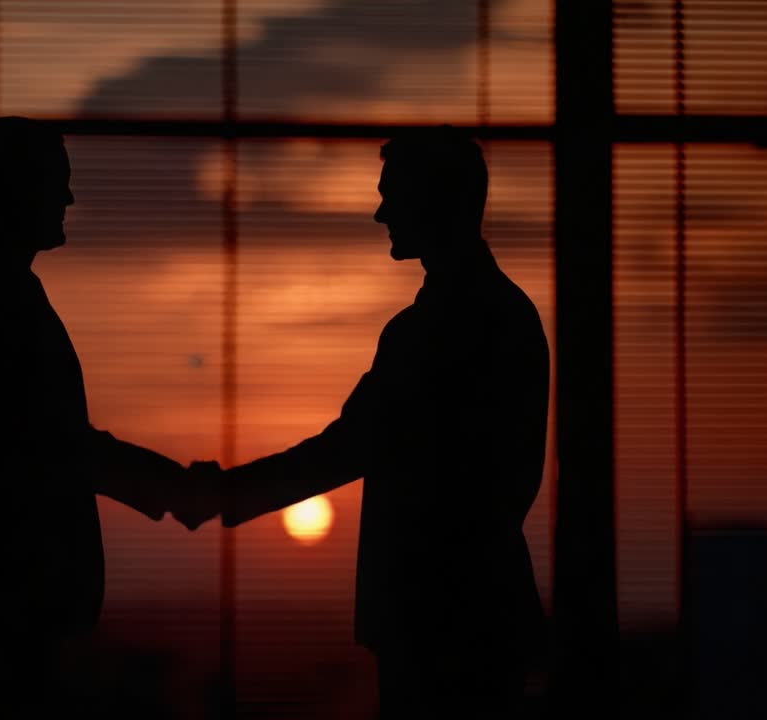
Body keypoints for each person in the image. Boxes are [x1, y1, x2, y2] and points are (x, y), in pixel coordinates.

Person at [205, 126, 549, 717]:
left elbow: (352, 446)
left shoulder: (439, 327)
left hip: (442, 618)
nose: (378, 213)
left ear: (434, 200)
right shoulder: (496, 314)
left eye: (392, 195)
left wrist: (224, 494)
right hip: (469, 614)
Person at [0, 116, 217, 718]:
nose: (69, 197)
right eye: (56, 181)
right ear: (14, 188)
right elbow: (55, 448)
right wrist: (179, 488)